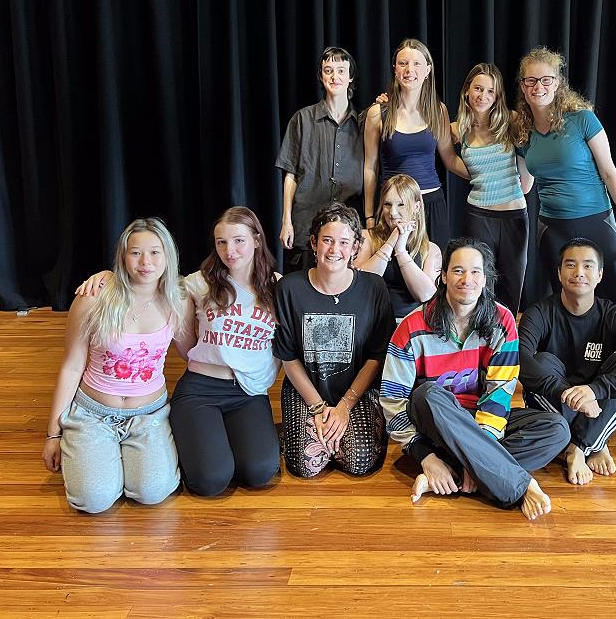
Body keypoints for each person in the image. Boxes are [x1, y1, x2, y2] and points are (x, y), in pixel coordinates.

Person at [74, 207, 283, 497]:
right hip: (202, 389)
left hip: (249, 391)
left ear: (257, 240)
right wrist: (110, 275)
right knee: (210, 481)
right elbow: (151, 281)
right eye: (221, 242)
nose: (229, 250)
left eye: (239, 240)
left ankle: (226, 442)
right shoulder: (200, 282)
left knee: (259, 472)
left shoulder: (278, 286)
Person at [380, 237, 571, 520]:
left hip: (479, 417)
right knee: (427, 394)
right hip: (435, 420)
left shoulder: (502, 321)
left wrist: (475, 454)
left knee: (557, 429)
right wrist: (425, 455)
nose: (466, 279)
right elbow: (392, 401)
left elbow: (499, 394)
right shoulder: (412, 326)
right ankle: (520, 484)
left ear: (485, 279)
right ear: (444, 276)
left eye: (475, 272)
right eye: (457, 270)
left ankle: (452, 474)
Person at [516, 46, 616, 402]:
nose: (538, 87)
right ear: (522, 85)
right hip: (553, 228)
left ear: (557, 82)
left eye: (546, 79)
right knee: (567, 303)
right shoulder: (523, 131)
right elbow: (525, 184)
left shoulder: (581, 120)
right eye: (530, 81)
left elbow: (609, 172)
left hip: (596, 220)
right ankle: (574, 370)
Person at [42, 218, 188, 513]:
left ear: (168, 256)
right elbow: (71, 366)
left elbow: (193, 354)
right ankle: (92, 453)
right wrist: (53, 434)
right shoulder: (94, 297)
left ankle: (120, 462)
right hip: (92, 414)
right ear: (123, 256)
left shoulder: (179, 300)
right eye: (135, 252)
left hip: (149, 415)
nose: (145, 262)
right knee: (92, 500)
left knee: (152, 492)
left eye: (155, 252)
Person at [519, 239, 616, 485]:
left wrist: (594, 391)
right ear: (559, 273)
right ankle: (596, 440)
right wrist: (568, 393)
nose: (579, 272)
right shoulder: (539, 312)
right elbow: (520, 359)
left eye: (588, 266)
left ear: (600, 275)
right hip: (557, 396)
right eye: (571, 265)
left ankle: (578, 447)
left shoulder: (613, 313)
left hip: (596, 398)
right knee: (542, 360)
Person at [274, 202, 395, 478]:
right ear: (313, 243)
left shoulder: (374, 288)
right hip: (307, 388)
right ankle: (321, 437)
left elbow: (377, 355)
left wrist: (344, 407)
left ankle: (334, 439)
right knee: (305, 465)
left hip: (357, 389)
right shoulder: (289, 288)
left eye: (344, 242)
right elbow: (288, 358)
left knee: (359, 461)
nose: (334, 250)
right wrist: (318, 407)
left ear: (355, 248)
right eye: (327, 240)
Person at [363, 38, 468, 250]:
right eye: (403, 63)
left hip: (431, 204)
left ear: (427, 70)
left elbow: (449, 159)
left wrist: (487, 178)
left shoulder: (438, 110)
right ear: (395, 69)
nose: (409, 70)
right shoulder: (377, 113)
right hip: (394, 209)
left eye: (416, 64)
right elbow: (370, 167)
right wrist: (369, 216)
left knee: (435, 267)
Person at [451, 63, 534, 315]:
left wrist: (526, 175)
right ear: (467, 90)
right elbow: (448, 160)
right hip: (479, 215)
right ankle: (479, 334)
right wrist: (479, 175)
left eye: (490, 91)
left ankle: (505, 336)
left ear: (497, 96)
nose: (483, 96)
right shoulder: (457, 129)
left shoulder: (511, 120)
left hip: (514, 216)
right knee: (478, 284)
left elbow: (530, 165)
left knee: (512, 286)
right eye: (478, 88)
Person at [277, 46, 364, 274]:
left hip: (347, 232)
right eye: (328, 70)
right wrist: (286, 221)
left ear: (350, 77)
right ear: (321, 76)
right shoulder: (302, 119)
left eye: (341, 70)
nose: (335, 76)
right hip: (306, 226)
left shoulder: (364, 123)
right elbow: (290, 174)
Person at [354, 173, 442, 320]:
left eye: (401, 204)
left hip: (410, 323)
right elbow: (361, 284)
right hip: (373, 320)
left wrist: (401, 251)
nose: (392, 213)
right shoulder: (367, 238)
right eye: (387, 204)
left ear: (417, 207)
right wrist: (391, 242)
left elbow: (426, 295)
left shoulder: (430, 249)